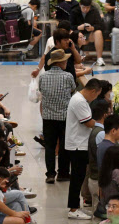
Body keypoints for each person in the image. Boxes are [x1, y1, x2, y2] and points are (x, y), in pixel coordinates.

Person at [64, 78, 101, 220]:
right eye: (96, 95)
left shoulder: (79, 99)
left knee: (78, 177)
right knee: (77, 177)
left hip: (78, 143)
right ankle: (73, 209)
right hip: (78, 145)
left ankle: (75, 207)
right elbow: (88, 122)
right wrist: (104, 126)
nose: (95, 98)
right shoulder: (79, 101)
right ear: (92, 91)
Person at [38, 49, 75, 183]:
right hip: (65, 117)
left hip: (48, 117)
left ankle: (50, 174)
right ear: (60, 62)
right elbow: (72, 89)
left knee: (50, 146)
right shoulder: (68, 76)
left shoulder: (43, 76)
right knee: (65, 146)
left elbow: (41, 90)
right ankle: (63, 173)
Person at [71, 0, 106, 66]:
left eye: (88, 7)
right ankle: (76, 55)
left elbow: (101, 25)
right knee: (71, 32)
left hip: (90, 34)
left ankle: (99, 58)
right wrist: (78, 27)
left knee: (98, 32)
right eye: (83, 7)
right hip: (78, 34)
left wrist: (93, 28)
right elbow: (70, 25)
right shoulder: (74, 11)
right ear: (80, 5)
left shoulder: (94, 11)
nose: (85, 9)